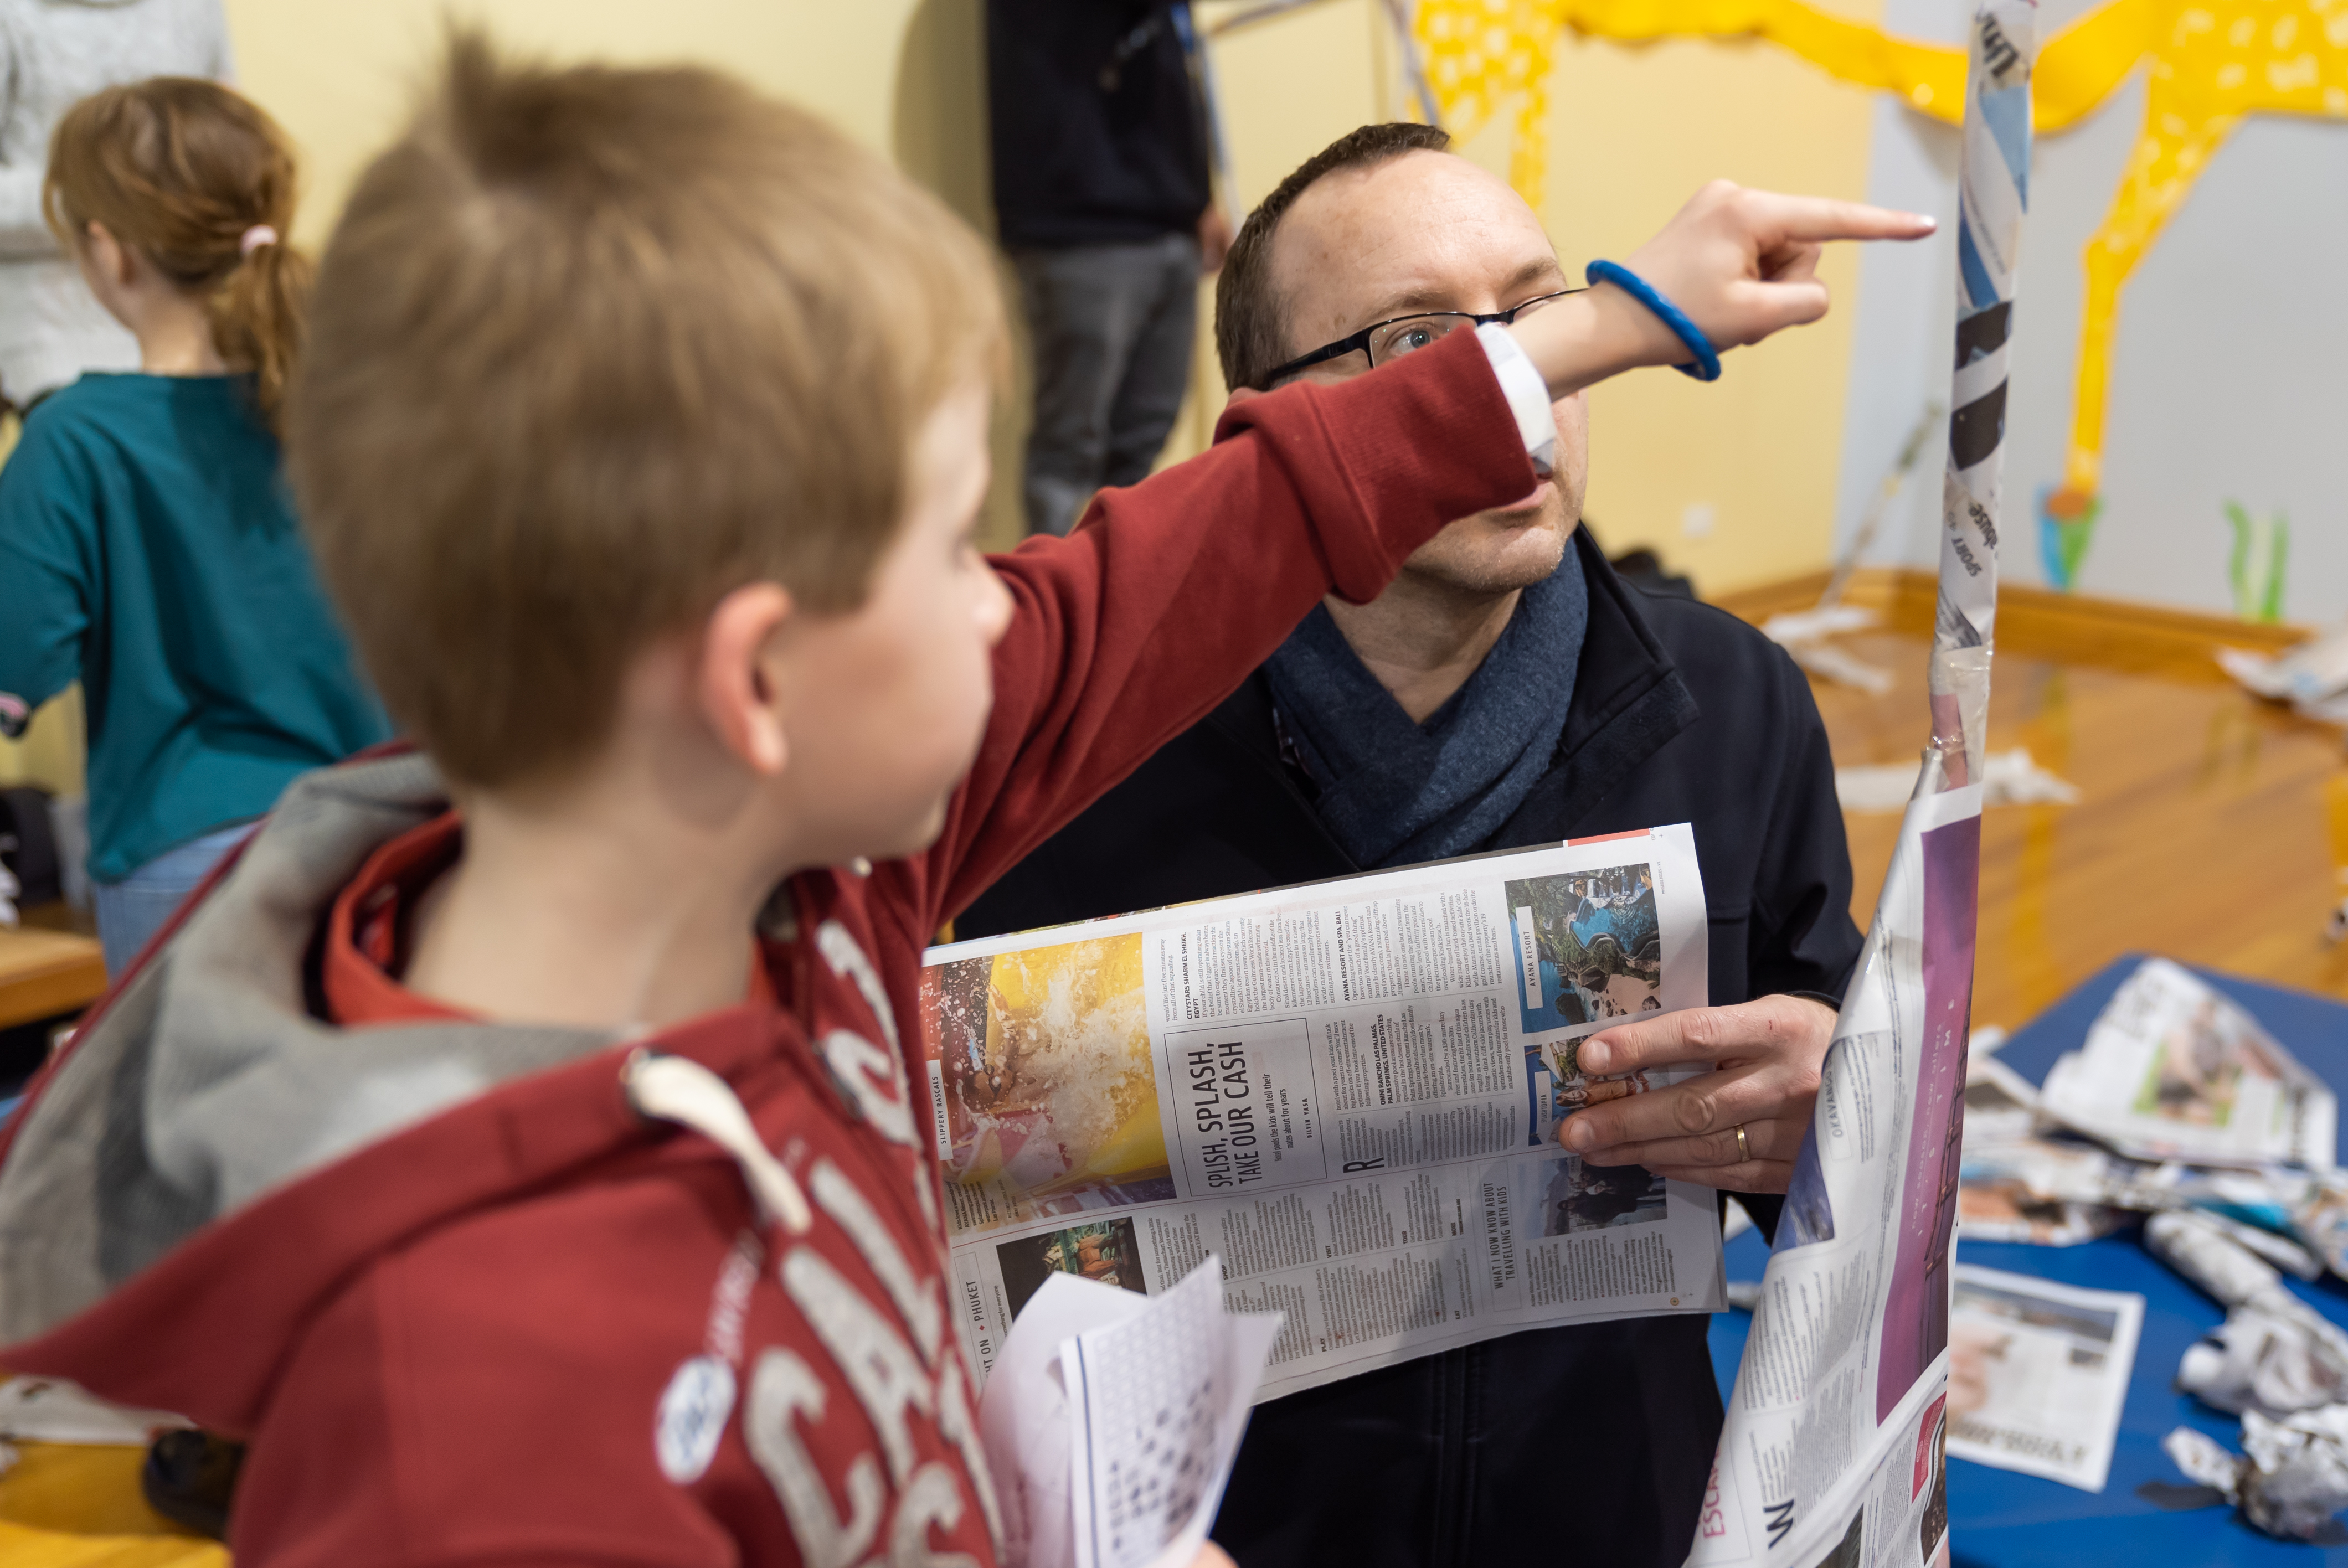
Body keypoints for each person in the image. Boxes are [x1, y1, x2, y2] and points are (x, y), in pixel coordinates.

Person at [0, 34, 1927, 1568]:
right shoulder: (471, 1406)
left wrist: (1615, 315)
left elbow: (1230, 520)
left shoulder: (822, 873)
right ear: (761, 677)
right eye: (951, 545)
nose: (1022, 582)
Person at [957, 123, 1871, 1568]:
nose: (1529, 391)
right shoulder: (1083, 768)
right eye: (1414, 341)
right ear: (1266, 430)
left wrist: (1841, 1111)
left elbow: (1834, 1180)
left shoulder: (1736, 705)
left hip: (1613, 1512)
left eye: (1544, 315)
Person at [0, 78, 390, 976]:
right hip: (388, 841)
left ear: (108, 253)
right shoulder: (360, 412)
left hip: (188, 872)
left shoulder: (74, 440)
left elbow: (16, 667)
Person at [987, 0, 1233, 537]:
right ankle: (1053, 613)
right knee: (1068, 455)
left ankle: (1117, 600)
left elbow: (1170, 64)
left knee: (1142, 442)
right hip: (1080, 226)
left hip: (1167, 218)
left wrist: (1198, 195)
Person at [0, 0, 234, 409]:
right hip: (41, 333)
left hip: (184, 324)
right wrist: (113, 200)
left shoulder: (198, 8)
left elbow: (224, 144)